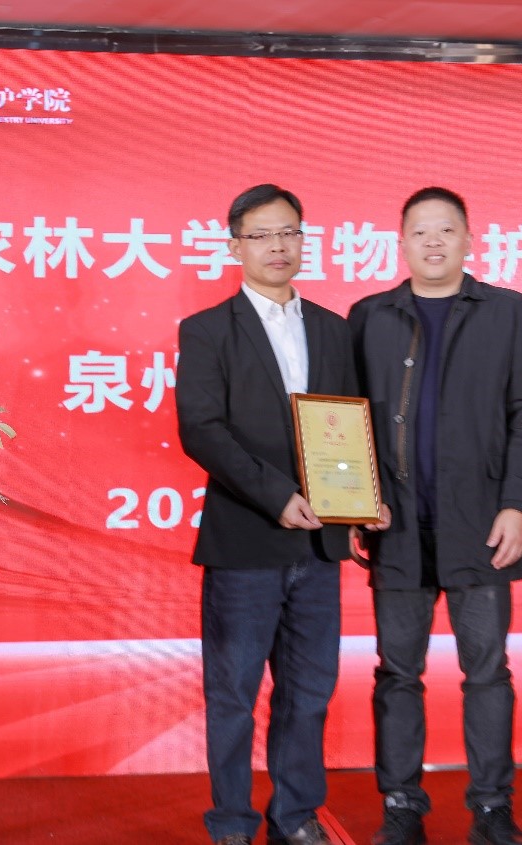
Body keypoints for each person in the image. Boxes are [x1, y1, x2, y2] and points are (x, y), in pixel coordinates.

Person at [347, 187, 522, 845]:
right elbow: (346, 421)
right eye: (419, 232)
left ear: (468, 239)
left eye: (445, 230)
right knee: (397, 674)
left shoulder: (506, 311)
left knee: (487, 672)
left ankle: (492, 808)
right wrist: (355, 501)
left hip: (482, 526)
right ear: (401, 243)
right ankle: (402, 805)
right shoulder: (369, 316)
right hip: (396, 528)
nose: (432, 242)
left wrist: (517, 505)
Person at [177, 184, 372, 845]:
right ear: (235, 246)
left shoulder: (334, 328)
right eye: (261, 235)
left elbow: (348, 425)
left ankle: (295, 816)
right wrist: (275, 495)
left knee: (309, 691)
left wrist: (362, 500)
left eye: (288, 232)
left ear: (303, 240)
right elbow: (202, 429)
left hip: (320, 545)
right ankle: (232, 822)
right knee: (232, 693)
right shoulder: (207, 330)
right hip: (245, 542)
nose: (277, 246)